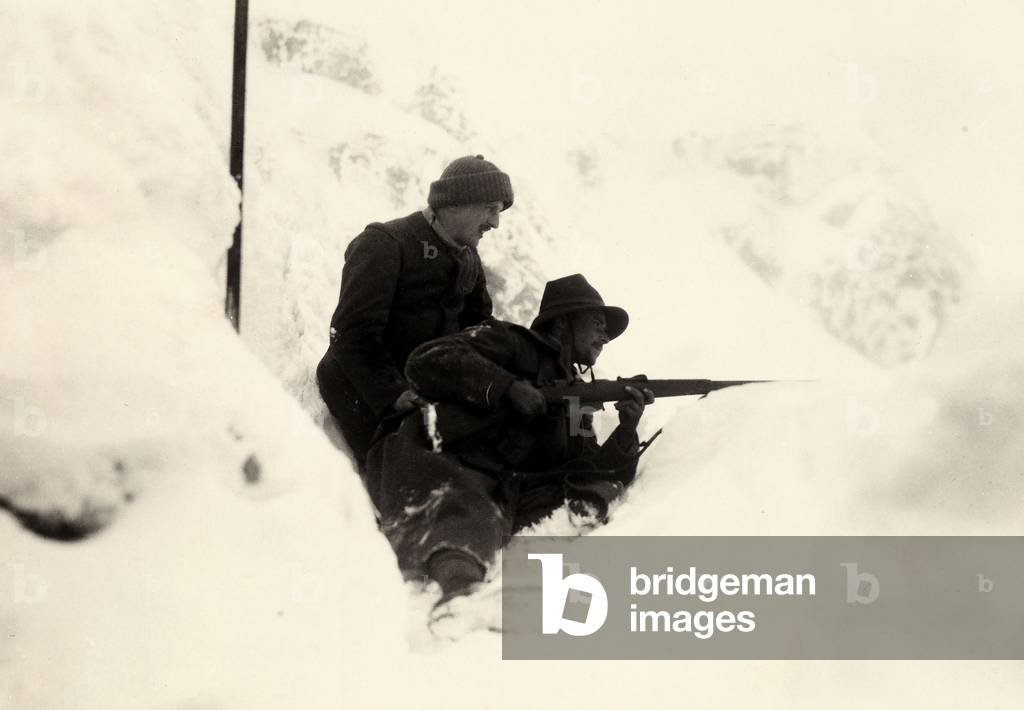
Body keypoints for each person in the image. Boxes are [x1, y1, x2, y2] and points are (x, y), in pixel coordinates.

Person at [364, 274, 655, 606]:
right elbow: (427, 360)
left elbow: (585, 467)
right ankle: (458, 594)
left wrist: (627, 428)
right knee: (461, 509)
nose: (605, 337)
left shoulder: (578, 398)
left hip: (507, 489)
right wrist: (508, 388)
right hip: (442, 460)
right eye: (598, 323)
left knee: (591, 492)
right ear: (563, 322)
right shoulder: (513, 343)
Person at [316, 155, 514, 468]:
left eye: (498, 211)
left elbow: (478, 333)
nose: (495, 222)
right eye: (490, 208)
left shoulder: (468, 258)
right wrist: (394, 394)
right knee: (410, 477)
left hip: (423, 395)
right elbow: (351, 335)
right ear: (454, 203)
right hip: (366, 392)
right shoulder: (385, 243)